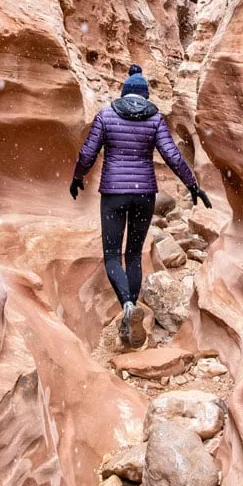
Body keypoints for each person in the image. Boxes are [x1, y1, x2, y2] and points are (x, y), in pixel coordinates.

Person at [70, 64, 211, 347]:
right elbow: (172, 155)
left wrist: (77, 176)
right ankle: (131, 310)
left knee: (112, 255)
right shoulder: (155, 119)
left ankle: (126, 306)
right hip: (144, 194)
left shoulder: (107, 114)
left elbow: (88, 151)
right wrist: (193, 185)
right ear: (146, 96)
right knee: (133, 254)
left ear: (124, 93)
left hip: (113, 193)